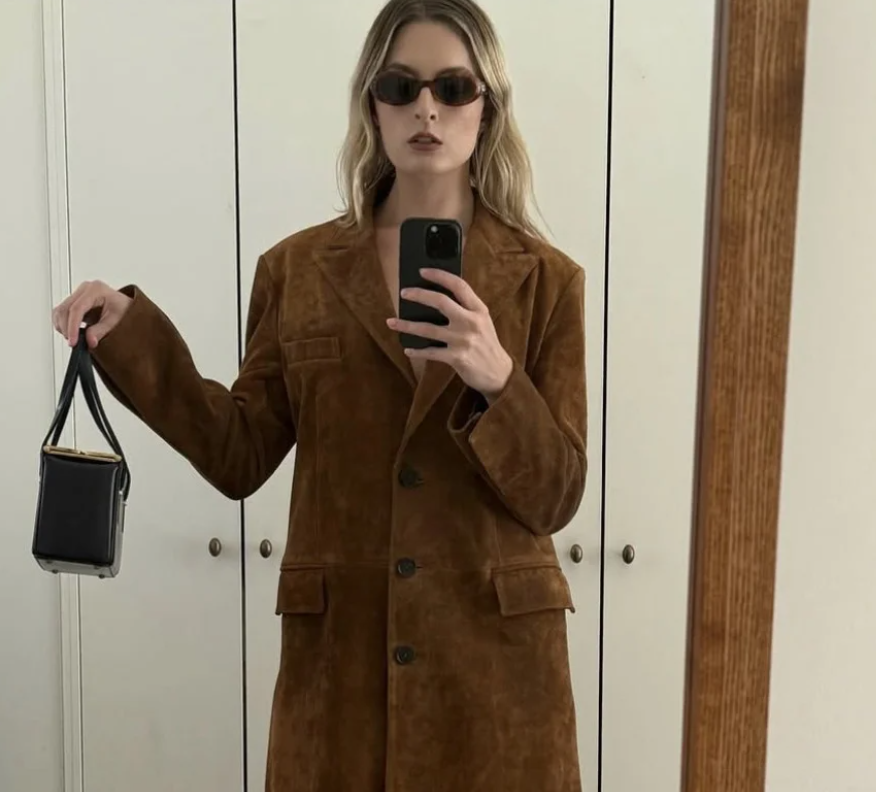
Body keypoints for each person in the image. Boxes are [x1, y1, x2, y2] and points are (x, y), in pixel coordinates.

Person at [51, 0, 588, 789]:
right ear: (372, 104)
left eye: (453, 87)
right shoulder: (297, 272)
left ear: (488, 107)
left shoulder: (547, 283)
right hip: (341, 675)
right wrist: (134, 338)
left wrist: (496, 378)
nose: (426, 109)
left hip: (496, 681)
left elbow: (557, 495)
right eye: (400, 86)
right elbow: (238, 453)